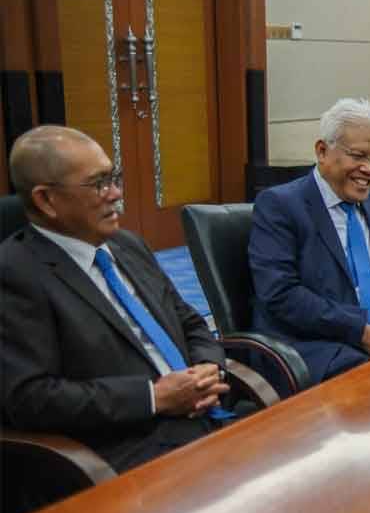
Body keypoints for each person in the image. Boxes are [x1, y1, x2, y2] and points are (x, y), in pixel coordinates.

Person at [1, 126, 232, 473]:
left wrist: (208, 368)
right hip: (123, 448)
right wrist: (154, 398)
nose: (116, 194)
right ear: (46, 200)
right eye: (98, 184)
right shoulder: (14, 273)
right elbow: (32, 397)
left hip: (205, 413)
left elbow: (189, 320)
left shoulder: (127, 245)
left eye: (114, 178)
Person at [249, 98, 370, 385]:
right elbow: (281, 294)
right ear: (322, 151)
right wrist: (363, 332)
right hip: (325, 347)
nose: (369, 170)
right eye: (358, 156)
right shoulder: (280, 206)